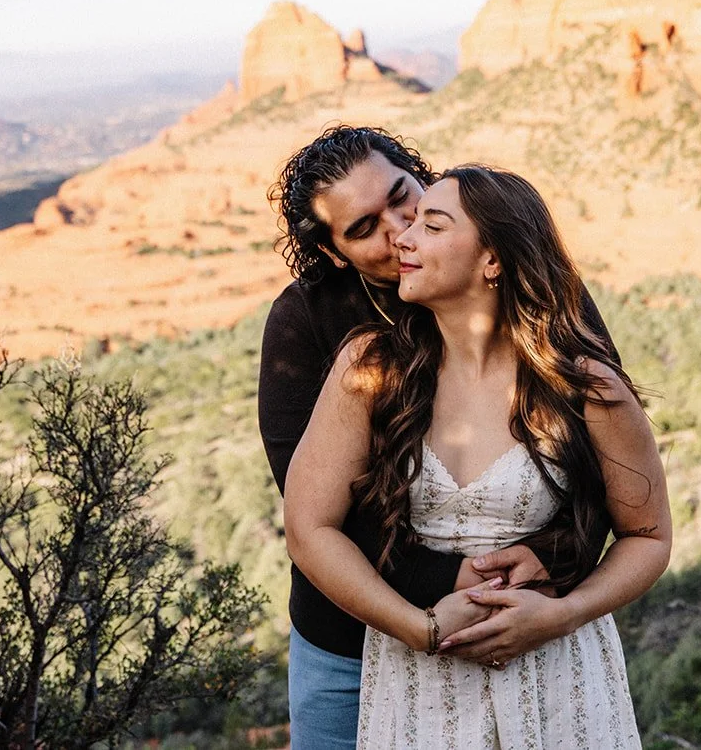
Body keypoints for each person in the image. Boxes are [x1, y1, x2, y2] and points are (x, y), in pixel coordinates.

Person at [258, 127, 622, 749]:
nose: (399, 229)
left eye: (403, 196)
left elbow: (602, 448)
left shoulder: (531, 285)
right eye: (363, 228)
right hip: (351, 642)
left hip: (520, 624)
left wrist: (558, 556)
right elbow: (317, 511)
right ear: (336, 254)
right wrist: (448, 586)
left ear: (420, 175)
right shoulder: (310, 325)